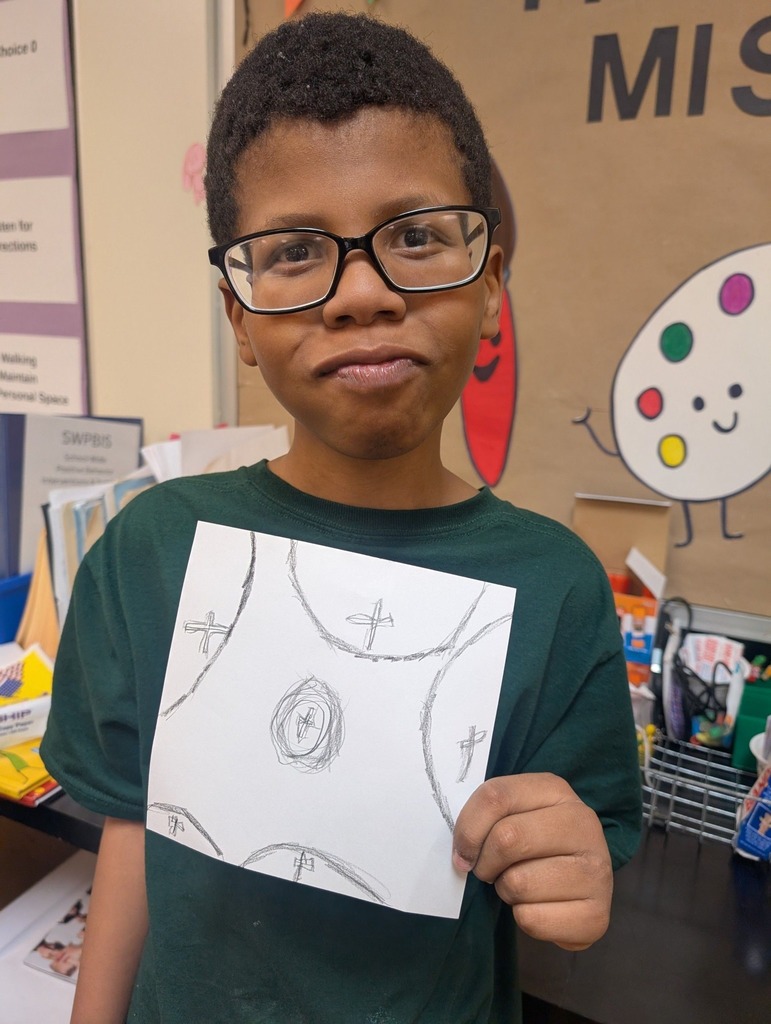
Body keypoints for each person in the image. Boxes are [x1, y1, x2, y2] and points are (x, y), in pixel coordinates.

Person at [41, 12, 641, 1023]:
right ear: (238, 315)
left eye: (415, 236)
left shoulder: (557, 587)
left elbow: (576, 866)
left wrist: (576, 884)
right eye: (292, 251)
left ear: (492, 279)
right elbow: (134, 835)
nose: (361, 293)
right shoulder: (150, 552)